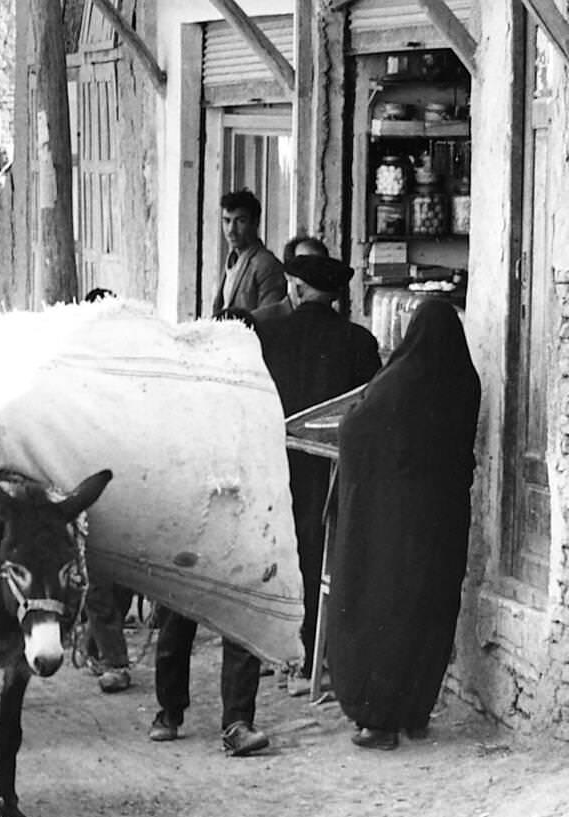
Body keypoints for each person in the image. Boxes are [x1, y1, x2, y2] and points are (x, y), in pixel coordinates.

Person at [327, 298, 480, 750]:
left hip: (395, 526)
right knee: (430, 613)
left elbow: (354, 431)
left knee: (385, 610)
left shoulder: (399, 381)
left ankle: (379, 720)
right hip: (445, 522)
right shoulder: (464, 380)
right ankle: (415, 712)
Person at [147, 306, 269, 756]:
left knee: (241, 619)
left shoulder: (262, 395)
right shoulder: (186, 394)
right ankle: (169, 710)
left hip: (243, 522)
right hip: (193, 521)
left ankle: (237, 722)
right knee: (177, 619)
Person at [259, 253, 381, 695]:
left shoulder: (270, 336)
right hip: (332, 469)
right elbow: (370, 406)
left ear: (296, 289)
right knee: (323, 554)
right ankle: (314, 656)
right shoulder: (360, 342)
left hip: (276, 464)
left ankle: (278, 654)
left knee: (278, 552)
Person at [211, 189, 287, 317]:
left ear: (255, 222)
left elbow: (269, 320)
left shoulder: (267, 265)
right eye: (227, 221)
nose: (231, 230)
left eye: (240, 221)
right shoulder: (232, 260)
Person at [251, 235, 330, 322]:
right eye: (304, 268)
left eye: (319, 268)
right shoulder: (260, 321)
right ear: (288, 275)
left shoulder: (334, 324)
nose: (312, 277)